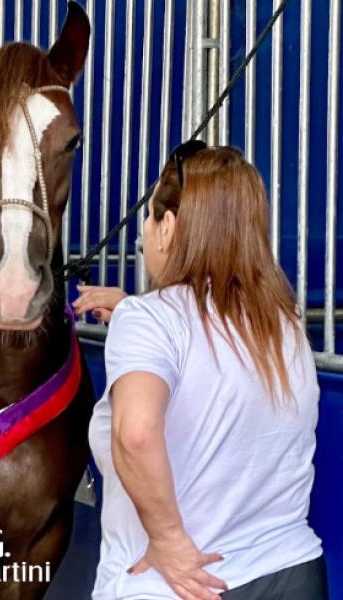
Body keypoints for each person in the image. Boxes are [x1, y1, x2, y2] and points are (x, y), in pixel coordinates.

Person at [77, 144, 327, 600]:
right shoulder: (283, 322)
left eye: (149, 222)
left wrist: (169, 537)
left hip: (181, 584)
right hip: (293, 572)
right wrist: (136, 314)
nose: (145, 235)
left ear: (168, 228)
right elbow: (213, 357)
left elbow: (136, 433)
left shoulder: (152, 321)